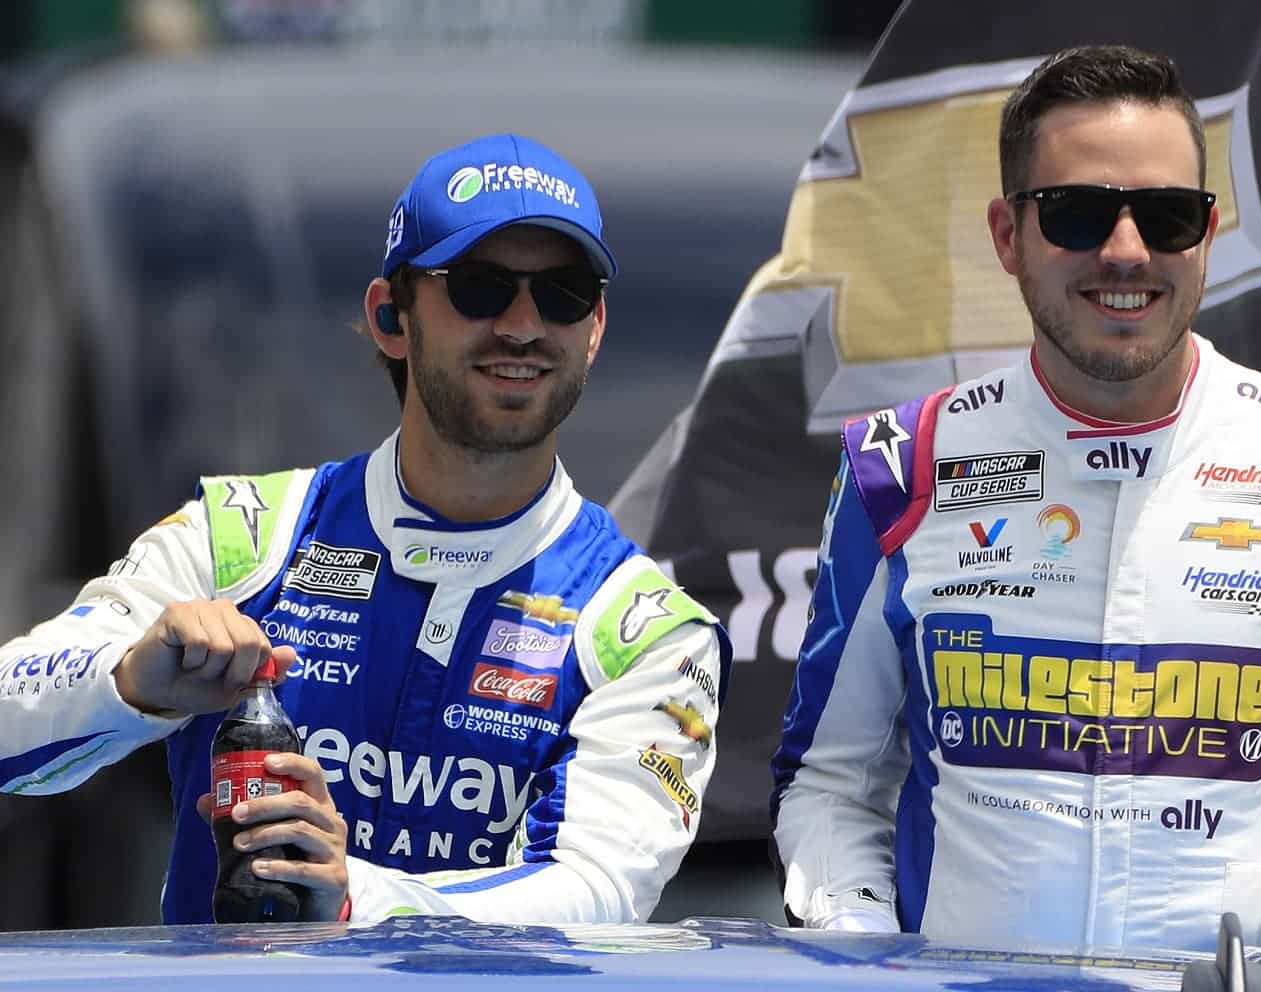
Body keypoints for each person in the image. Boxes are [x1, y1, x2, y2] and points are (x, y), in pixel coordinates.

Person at [770, 44, 1261, 980]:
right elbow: (829, 780)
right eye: (1077, 213)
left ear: (1209, 234)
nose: (1125, 250)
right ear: (1007, 235)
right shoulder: (898, 467)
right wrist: (862, 949)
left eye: (1165, 215)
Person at [0, 132, 730, 925]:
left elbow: (596, 891)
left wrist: (352, 893)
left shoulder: (647, 630)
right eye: (480, 287)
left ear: (593, 327)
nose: (524, 324)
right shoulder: (241, 537)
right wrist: (130, 683)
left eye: (564, 292)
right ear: (390, 316)